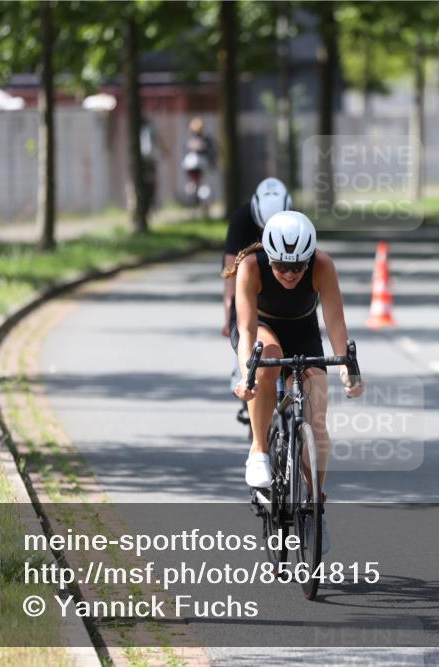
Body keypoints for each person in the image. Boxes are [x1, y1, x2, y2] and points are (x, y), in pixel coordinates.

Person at [225, 212, 363, 521]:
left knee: (317, 413)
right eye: (282, 267)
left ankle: (315, 501)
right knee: (269, 357)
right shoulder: (250, 266)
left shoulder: (323, 265)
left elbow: (336, 324)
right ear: (270, 258)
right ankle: (259, 450)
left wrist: (346, 371)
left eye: (298, 266)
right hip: (260, 328)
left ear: (309, 258)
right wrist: (248, 374)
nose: (290, 274)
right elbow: (246, 329)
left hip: (302, 330)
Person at [222, 177, 293, 337]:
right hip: (245, 270)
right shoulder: (241, 219)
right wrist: (229, 319)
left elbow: (309, 278)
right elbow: (230, 278)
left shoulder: (296, 222)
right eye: (263, 228)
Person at [182, 117, 217, 207]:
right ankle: (198, 202)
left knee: (194, 182)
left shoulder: (190, 140)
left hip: (191, 164)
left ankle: (195, 201)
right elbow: (212, 152)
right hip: (200, 164)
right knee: (201, 183)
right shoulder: (205, 139)